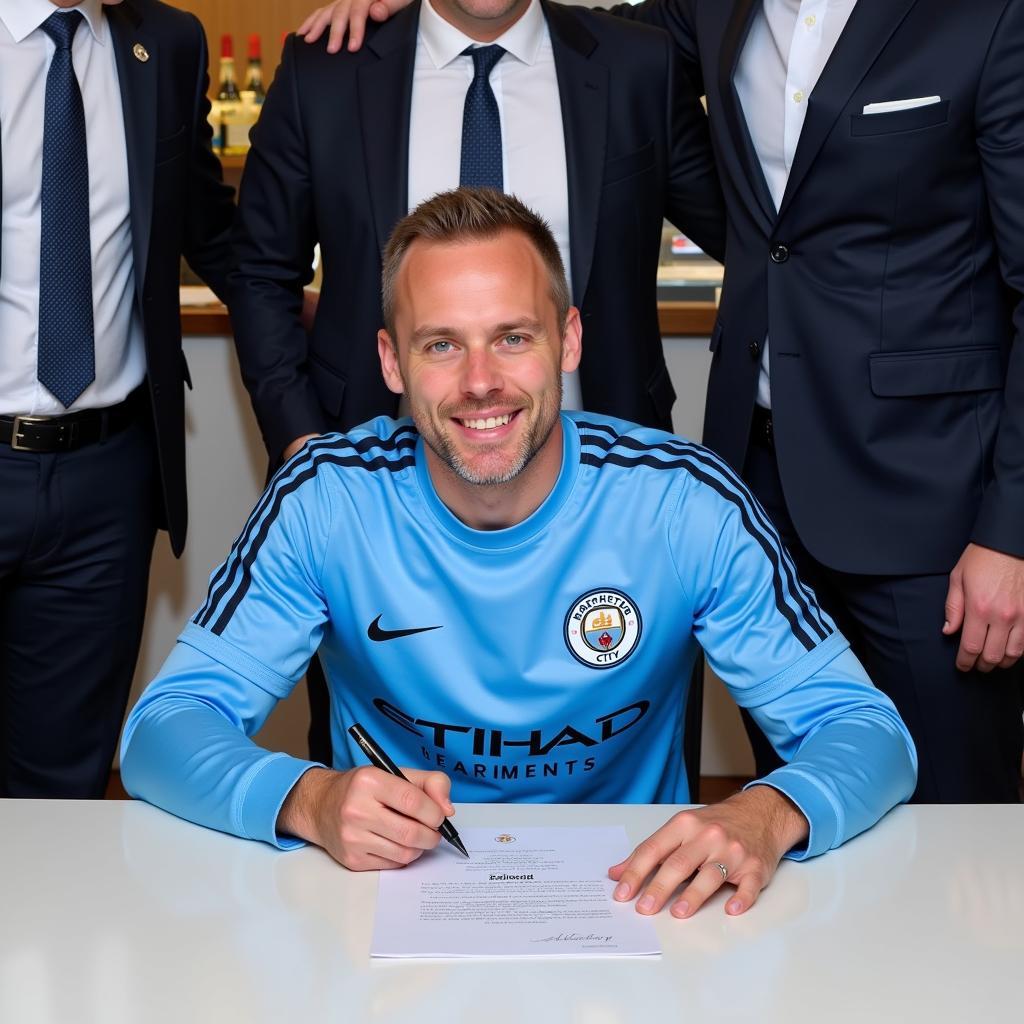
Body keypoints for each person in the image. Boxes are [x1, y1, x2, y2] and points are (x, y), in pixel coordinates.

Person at [303, 0, 1024, 802]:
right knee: (799, 804)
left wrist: (1013, 529)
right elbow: (540, 21)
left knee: (956, 809)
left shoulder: (988, 17)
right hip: (759, 477)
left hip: (931, 493)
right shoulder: (708, 10)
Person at [123, 189, 915, 919]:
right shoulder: (325, 499)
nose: (480, 382)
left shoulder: (683, 501)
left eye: (512, 337)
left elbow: (868, 730)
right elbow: (163, 728)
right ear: (391, 362)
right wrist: (306, 798)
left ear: (567, 341)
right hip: (386, 903)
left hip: (643, 902)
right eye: (440, 345)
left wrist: (765, 812)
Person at [232, 0, 726, 764]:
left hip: (604, 513)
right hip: (383, 514)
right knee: (377, 774)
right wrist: (306, 448)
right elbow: (261, 271)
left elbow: (763, 231)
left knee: (618, 759)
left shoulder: (637, 64)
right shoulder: (325, 69)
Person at [0, 0, 235, 798]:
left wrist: (336, 310)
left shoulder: (164, 44)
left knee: (61, 782)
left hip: (108, 481)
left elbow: (209, 225)